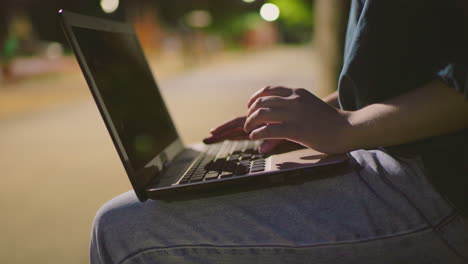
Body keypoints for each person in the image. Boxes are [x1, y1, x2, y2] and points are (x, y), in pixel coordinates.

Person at [89, 0, 468, 263]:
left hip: (440, 182)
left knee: (125, 229)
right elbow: (399, 77)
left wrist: (347, 128)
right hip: (393, 150)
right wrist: (310, 119)